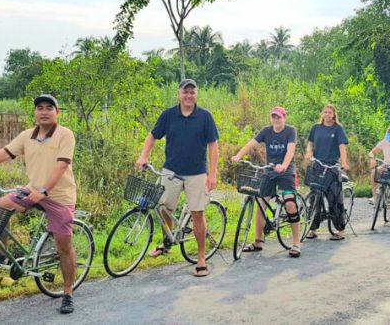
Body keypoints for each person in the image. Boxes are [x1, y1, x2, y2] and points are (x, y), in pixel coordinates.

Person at [0, 94, 78, 314]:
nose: (44, 111)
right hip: (32, 191)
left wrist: (44, 191)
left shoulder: (65, 134)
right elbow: (6, 152)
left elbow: (61, 166)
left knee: (64, 246)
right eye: (39, 108)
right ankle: (4, 253)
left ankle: (68, 292)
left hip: (60, 197)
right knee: (0, 206)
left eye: (49, 108)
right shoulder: (27, 136)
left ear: (57, 113)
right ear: (34, 113)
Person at [136, 79, 219, 277]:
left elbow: (213, 146)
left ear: (196, 94)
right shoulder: (168, 115)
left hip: (197, 173)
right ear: (178, 94)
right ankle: (167, 243)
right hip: (171, 171)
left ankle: (200, 258)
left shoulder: (205, 117)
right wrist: (143, 156)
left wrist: (213, 173)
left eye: (192, 92)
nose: (189, 96)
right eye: (185, 92)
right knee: (164, 208)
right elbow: (153, 136)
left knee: (197, 213)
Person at [231, 106, 302, 258]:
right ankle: (258, 241)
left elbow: (291, 150)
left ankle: (296, 243)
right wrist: (239, 155)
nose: (276, 119)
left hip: (286, 171)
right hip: (269, 170)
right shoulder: (266, 131)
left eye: (279, 117)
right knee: (261, 202)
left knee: (290, 203)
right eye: (273, 117)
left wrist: (284, 165)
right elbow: (252, 143)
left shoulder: (290, 131)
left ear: (284, 117)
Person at [303, 104, 350, 241]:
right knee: (314, 198)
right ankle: (312, 229)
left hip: (332, 167)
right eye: (325, 112)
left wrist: (344, 162)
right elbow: (310, 143)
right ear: (322, 114)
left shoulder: (338, 129)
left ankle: (340, 230)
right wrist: (309, 152)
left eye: (330, 112)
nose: (327, 114)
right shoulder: (316, 128)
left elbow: (342, 148)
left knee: (334, 199)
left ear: (334, 115)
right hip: (317, 165)